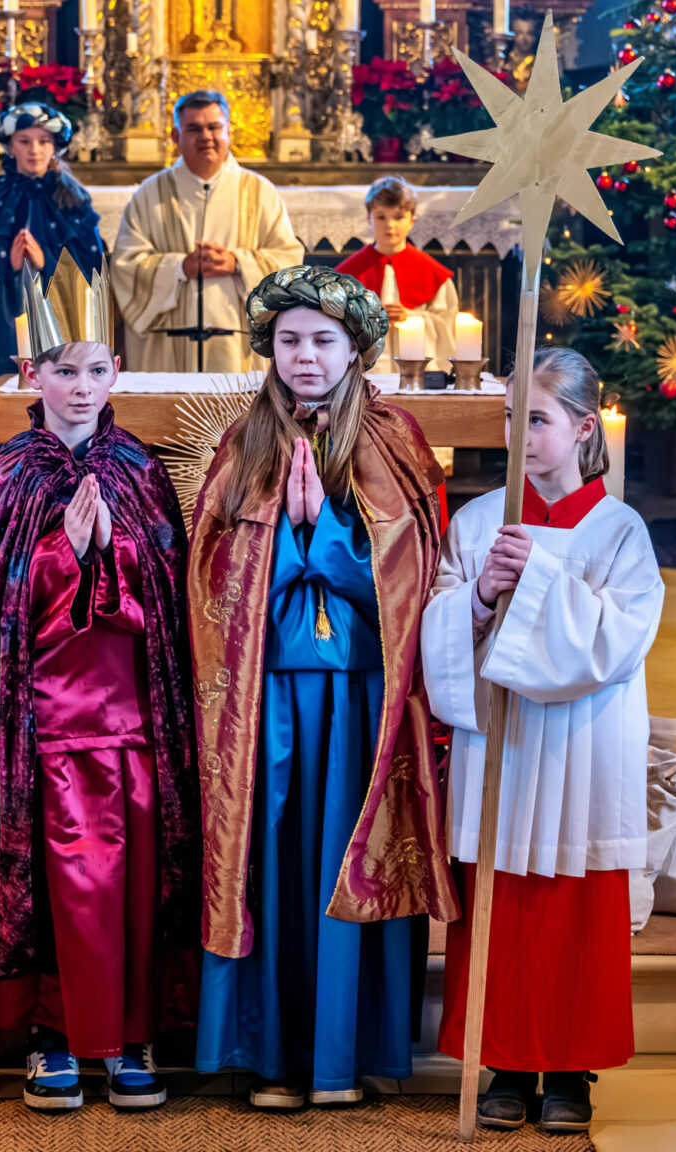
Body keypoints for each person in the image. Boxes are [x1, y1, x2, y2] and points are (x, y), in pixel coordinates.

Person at [189, 265, 459, 1109]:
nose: (304, 356)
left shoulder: (394, 439)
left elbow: (419, 570)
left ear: (356, 350)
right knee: (274, 864)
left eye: (323, 341)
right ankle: (274, 1058)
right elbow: (209, 570)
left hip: (360, 700)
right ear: (269, 348)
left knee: (347, 854)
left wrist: (324, 537)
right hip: (266, 692)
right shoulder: (244, 442)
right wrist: (281, 540)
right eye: (289, 341)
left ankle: (344, 1057)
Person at [0, 251, 200, 1114]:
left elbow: (169, 581)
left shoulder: (136, 466)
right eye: (65, 371)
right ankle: (56, 1037)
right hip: (46, 720)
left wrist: (114, 550)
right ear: (33, 373)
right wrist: (62, 550)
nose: (83, 386)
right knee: (63, 876)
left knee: (131, 872)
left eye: (98, 369)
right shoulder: (8, 474)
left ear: (117, 372)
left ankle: (131, 1035)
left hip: (130, 708)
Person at [422, 347, 664, 1135]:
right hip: (506, 743)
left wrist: (547, 585)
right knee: (505, 902)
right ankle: (504, 1061)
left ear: (584, 427)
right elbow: (441, 618)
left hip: (582, 743)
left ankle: (569, 1069)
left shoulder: (620, 529)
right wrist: (482, 598)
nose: (519, 435)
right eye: (510, 418)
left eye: (538, 420)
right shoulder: (480, 518)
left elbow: (620, 641)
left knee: (573, 906)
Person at [0, 102, 104, 515]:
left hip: (58, 331)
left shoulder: (71, 197)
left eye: (43, 141)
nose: (35, 150)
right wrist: (9, 264)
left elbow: (91, 269)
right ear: (10, 146)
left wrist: (45, 262)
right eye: (25, 141)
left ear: (56, 146)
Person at [111, 90, 304, 373]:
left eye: (214, 127)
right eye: (194, 129)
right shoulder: (149, 194)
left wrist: (238, 263)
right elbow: (125, 265)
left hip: (238, 345)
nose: (206, 136)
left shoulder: (261, 192)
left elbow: (289, 262)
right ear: (176, 137)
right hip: (168, 348)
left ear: (229, 131)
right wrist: (179, 267)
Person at [336, 177, 459, 373]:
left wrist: (411, 316)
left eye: (399, 217)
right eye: (381, 217)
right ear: (369, 219)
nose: (390, 225)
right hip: (365, 372)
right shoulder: (347, 274)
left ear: (412, 221)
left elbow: (447, 325)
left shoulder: (433, 273)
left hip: (416, 370)